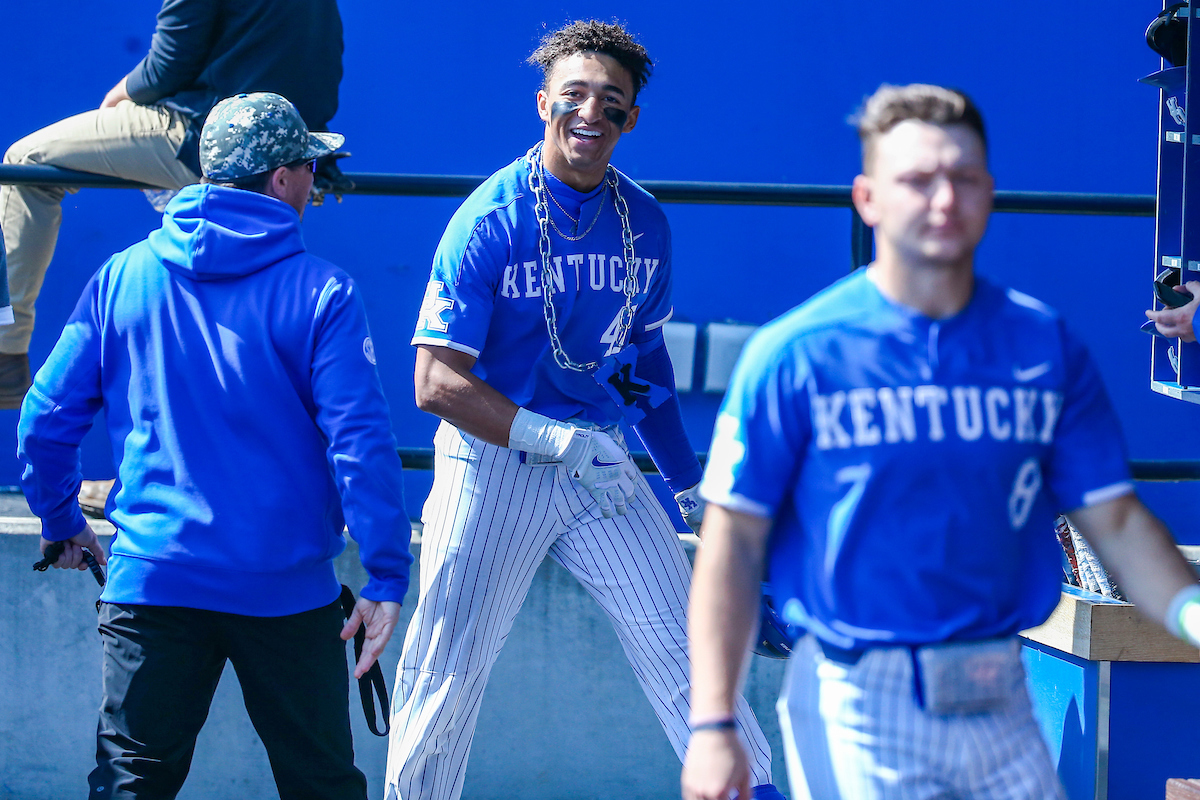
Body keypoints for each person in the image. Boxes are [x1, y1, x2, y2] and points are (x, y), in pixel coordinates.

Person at [680, 83, 1200, 800]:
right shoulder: (797, 353)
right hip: (859, 701)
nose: (944, 199)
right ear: (868, 198)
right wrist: (713, 725)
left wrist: (1192, 614)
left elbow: (1112, 520)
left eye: (963, 177)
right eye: (918, 180)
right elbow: (731, 544)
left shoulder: (1040, 345)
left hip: (1002, 695)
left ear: (989, 191)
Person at [385, 20, 785, 800]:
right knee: (446, 668)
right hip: (492, 456)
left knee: (690, 649)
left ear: (631, 118)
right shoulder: (489, 217)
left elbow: (643, 363)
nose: (590, 112)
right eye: (573, 95)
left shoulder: (646, 223)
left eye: (611, 99)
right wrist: (546, 437)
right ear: (543, 104)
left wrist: (688, 487)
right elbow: (433, 382)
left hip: (599, 462)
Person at [18, 92, 412, 800]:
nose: (315, 186)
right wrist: (384, 573)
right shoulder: (322, 292)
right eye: (310, 170)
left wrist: (60, 520)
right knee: (321, 785)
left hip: (153, 583)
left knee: (131, 781)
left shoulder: (122, 276)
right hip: (287, 594)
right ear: (283, 178)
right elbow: (360, 442)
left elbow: (44, 419)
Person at [0, 0, 343, 408]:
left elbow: (168, 66)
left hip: (214, 138)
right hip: (299, 145)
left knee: (25, 164)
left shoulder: (123, 275)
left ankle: (5, 351)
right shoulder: (332, 288)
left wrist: (119, 94)